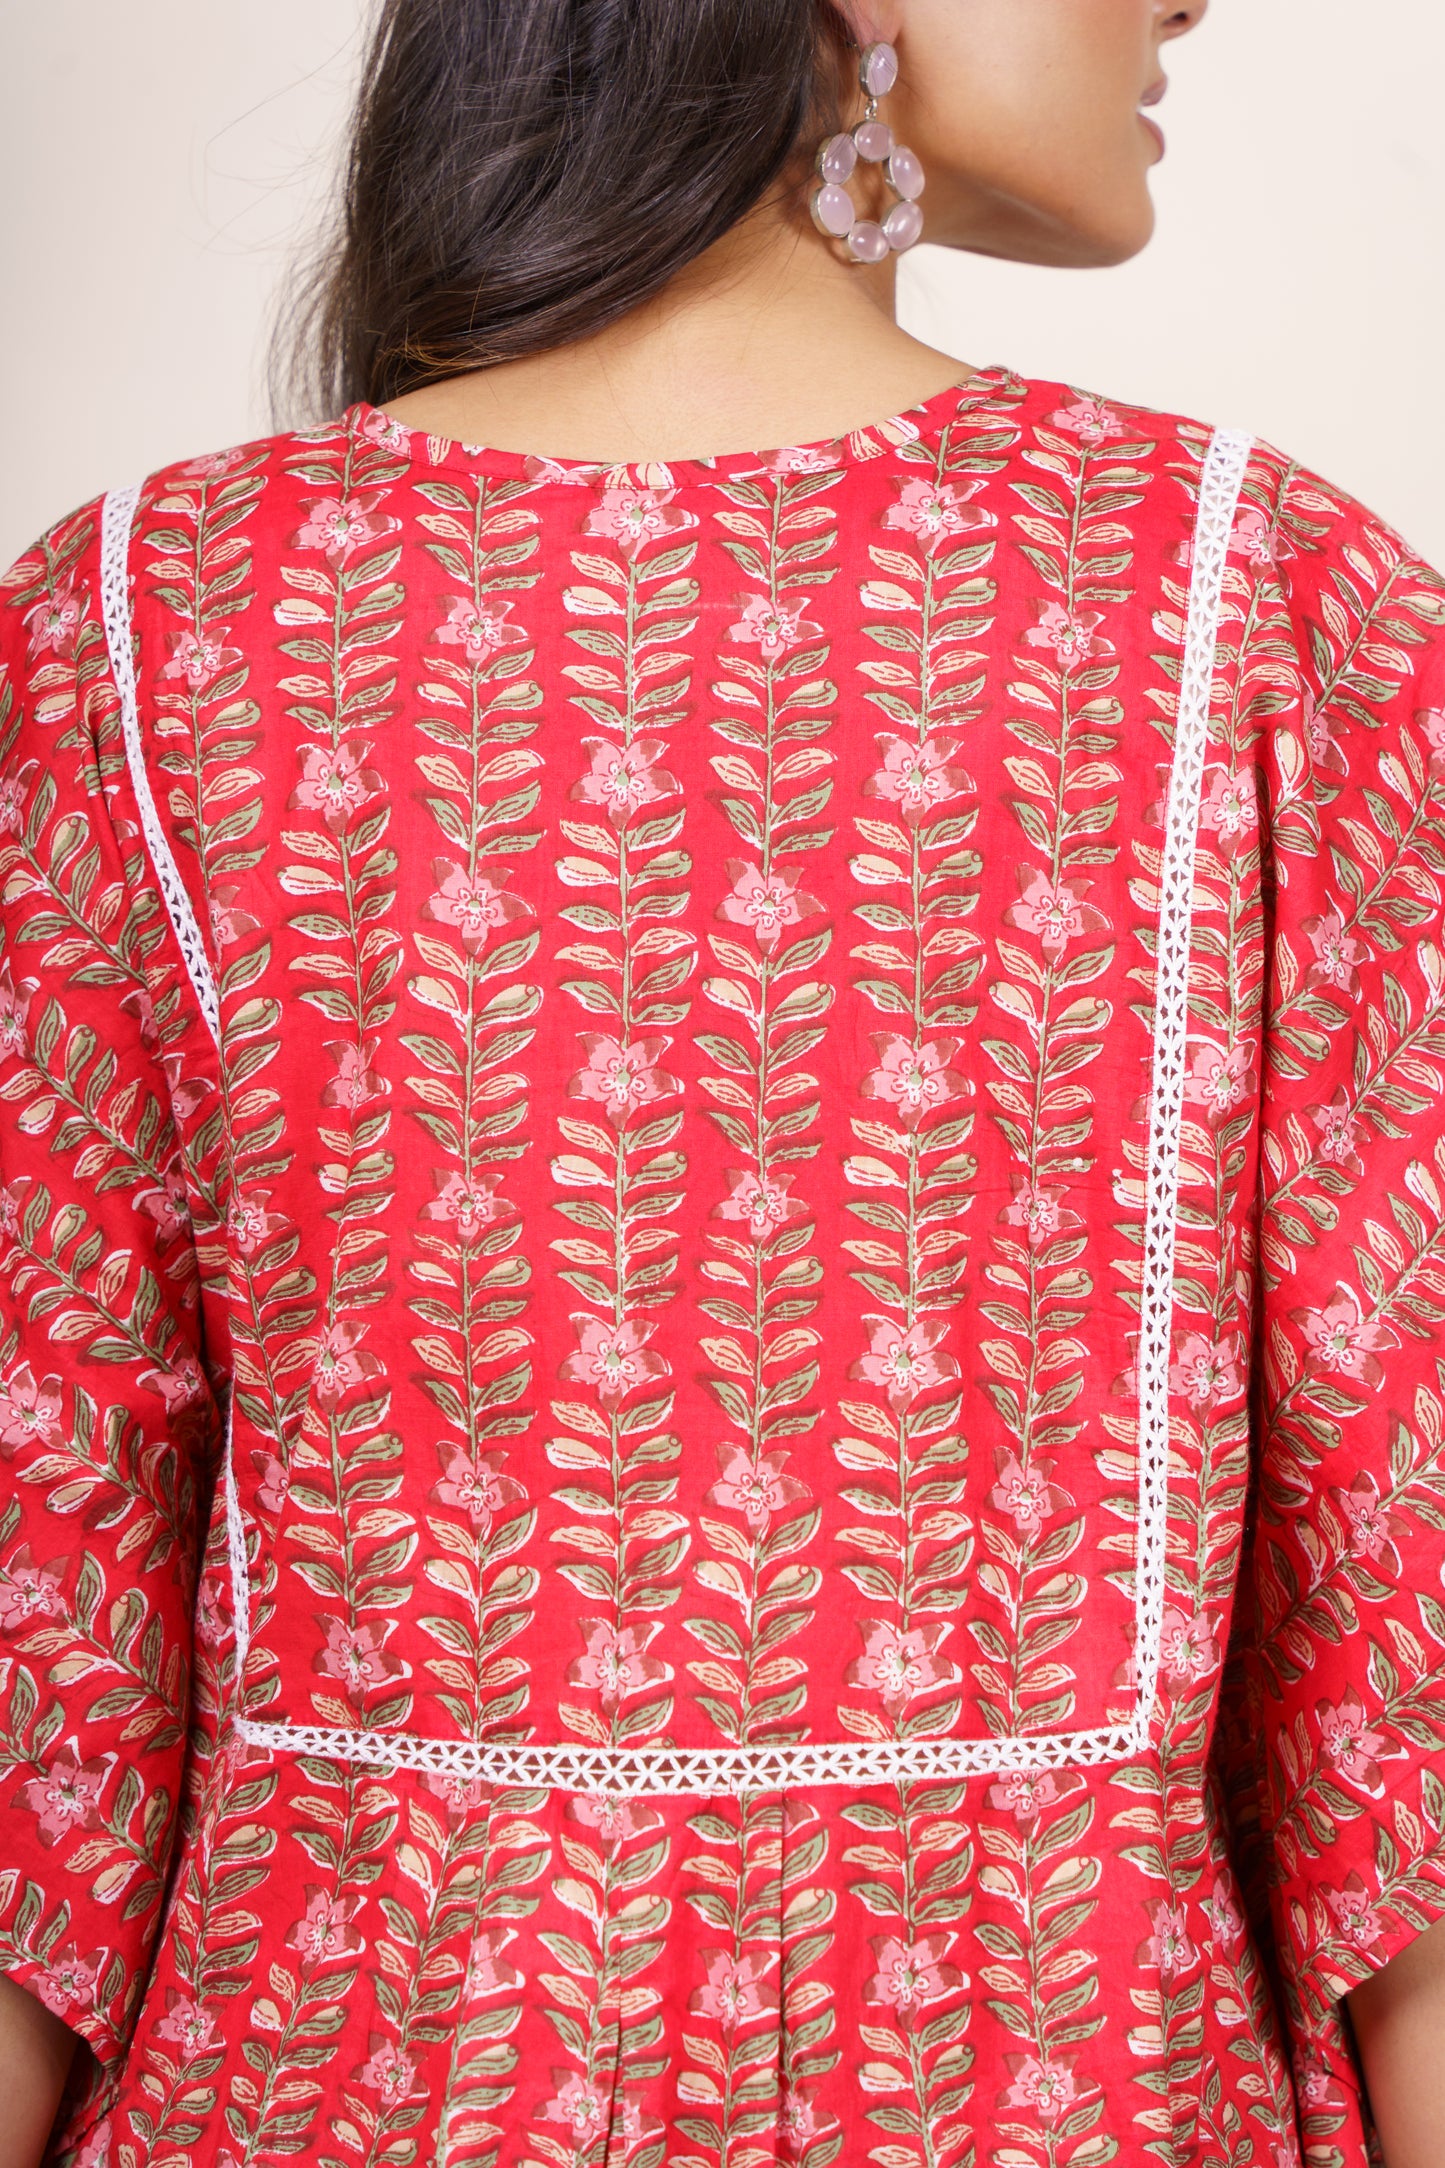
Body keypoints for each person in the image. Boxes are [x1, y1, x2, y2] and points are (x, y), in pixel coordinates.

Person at [3, 1, 1445, 2162]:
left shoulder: (148, 619)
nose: (1185, 0)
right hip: (1057, 2089)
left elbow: (42, 1614)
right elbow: (1407, 1658)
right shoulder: (1264, 603)